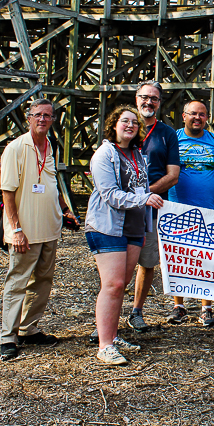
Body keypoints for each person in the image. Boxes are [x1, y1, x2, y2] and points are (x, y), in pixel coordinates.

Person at [0, 98, 79, 361]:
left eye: (47, 115)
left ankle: (28, 328)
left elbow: (52, 184)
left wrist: (65, 209)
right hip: (25, 231)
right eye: (38, 115)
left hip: (49, 227)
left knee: (43, 282)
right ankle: (8, 337)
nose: (42, 119)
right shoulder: (16, 148)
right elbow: (7, 193)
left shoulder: (49, 146)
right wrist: (16, 229)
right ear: (28, 118)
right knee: (17, 282)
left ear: (53, 119)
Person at [85, 105, 164, 365]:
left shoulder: (137, 154)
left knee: (122, 284)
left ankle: (112, 334)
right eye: (124, 121)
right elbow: (109, 194)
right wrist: (144, 198)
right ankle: (104, 344)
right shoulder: (105, 154)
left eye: (134, 122)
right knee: (113, 284)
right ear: (113, 125)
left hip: (132, 227)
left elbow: (140, 187)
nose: (130, 125)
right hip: (108, 226)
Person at [167, 100, 214, 327]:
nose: (198, 118)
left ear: (207, 117)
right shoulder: (173, 139)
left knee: (208, 261)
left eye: (202, 115)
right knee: (179, 258)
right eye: (193, 114)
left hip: (208, 209)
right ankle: (178, 306)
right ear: (183, 116)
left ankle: (207, 308)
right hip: (177, 208)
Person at [130, 81, 180, 334]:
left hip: (152, 206)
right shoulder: (125, 126)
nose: (148, 102)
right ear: (136, 98)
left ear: (160, 103)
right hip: (122, 207)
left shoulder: (166, 133)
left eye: (154, 99)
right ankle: (109, 313)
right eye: (144, 97)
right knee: (116, 261)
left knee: (147, 261)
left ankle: (136, 311)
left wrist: (144, 195)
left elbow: (173, 175)